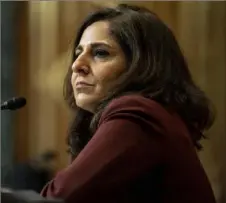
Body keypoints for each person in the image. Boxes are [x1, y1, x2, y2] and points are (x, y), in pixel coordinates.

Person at [41, 4, 216, 203]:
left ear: (142, 65)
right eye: (78, 53)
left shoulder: (138, 114)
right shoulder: (155, 114)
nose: (76, 65)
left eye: (100, 53)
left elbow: (57, 198)